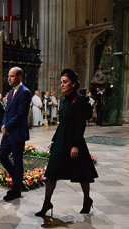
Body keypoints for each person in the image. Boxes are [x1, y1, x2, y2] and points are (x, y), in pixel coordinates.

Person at [36, 69, 98, 217]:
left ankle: (87, 200)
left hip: (74, 141)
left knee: (82, 173)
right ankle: (46, 203)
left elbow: (80, 124)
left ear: (74, 84)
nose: (62, 85)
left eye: (65, 82)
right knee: (51, 173)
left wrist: (75, 144)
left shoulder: (80, 100)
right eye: (61, 82)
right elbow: (62, 123)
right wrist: (54, 140)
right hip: (61, 140)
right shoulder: (63, 100)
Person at [0, 67, 32, 201]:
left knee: (17, 161)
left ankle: (16, 190)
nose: (9, 78)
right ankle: (18, 180)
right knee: (2, 156)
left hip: (17, 132)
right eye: (8, 76)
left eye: (12, 76)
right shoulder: (11, 92)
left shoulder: (25, 92)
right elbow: (7, 112)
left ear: (19, 77)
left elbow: (21, 115)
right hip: (7, 132)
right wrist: (3, 125)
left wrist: (7, 126)